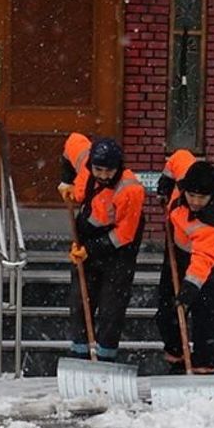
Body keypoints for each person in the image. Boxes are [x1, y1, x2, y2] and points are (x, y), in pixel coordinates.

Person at [58, 134, 145, 362]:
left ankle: (106, 357)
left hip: (119, 250)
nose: (104, 176)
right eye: (98, 170)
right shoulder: (84, 160)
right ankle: (79, 354)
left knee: (111, 307)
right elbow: (71, 142)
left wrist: (91, 249)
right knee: (81, 301)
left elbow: (124, 235)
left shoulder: (130, 190)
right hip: (88, 234)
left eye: (109, 171)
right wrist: (67, 180)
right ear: (90, 165)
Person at [154, 160, 214, 374]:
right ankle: (177, 359)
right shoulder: (184, 177)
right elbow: (177, 158)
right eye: (192, 196)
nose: (196, 202)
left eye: (202, 198)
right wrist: (165, 182)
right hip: (177, 255)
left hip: (208, 264)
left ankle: (203, 366)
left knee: (204, 315)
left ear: (211, 195)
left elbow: (203, 259)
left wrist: (190, 287)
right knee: (167, 312)